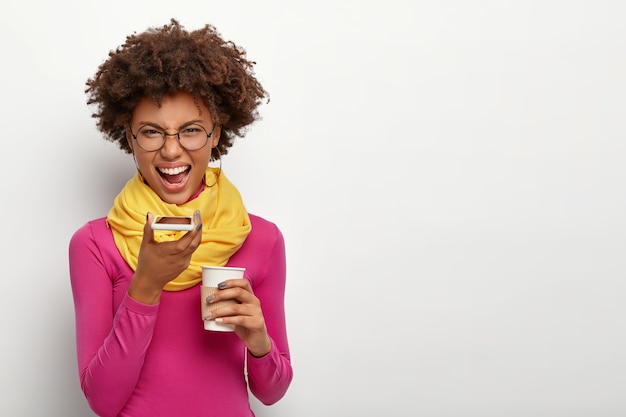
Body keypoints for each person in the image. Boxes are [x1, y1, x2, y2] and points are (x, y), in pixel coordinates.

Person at [69, 19, 293, 417]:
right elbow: (102, 402)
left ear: (216, 132)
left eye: (190, 130)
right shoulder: (95, 244)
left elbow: (272, 393)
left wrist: (259, 341)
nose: (172, 151)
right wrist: (147, 285)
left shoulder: (261, 239)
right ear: (129, 134)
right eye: (152, 132)